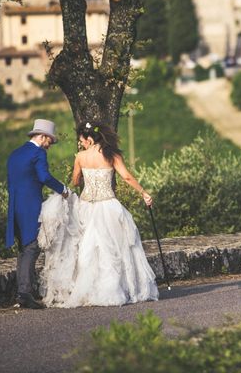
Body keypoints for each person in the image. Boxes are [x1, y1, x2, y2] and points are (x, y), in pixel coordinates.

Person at [40, 121, 158, 307]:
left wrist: (82, 178)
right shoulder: (112, 154)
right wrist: (143, 192)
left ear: (89, 139)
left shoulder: (80, 157)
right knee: (114, 248)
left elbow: (75, 180)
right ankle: (113, 290)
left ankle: (90, 290)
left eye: (82, 141)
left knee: (88, 250)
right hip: (108, 206)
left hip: (86, 206)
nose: (81, 145)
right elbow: (126, 176)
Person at [6, 119, 69, 309]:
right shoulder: (38, 153)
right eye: (50, 141)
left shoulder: (15, 154)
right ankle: (25, 294)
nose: (49, 146)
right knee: (33, 246)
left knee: (24, 248)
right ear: (42, 137)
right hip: (30, 207)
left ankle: (23, 292)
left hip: (14, 207)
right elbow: (44, 177)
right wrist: (63, 189)